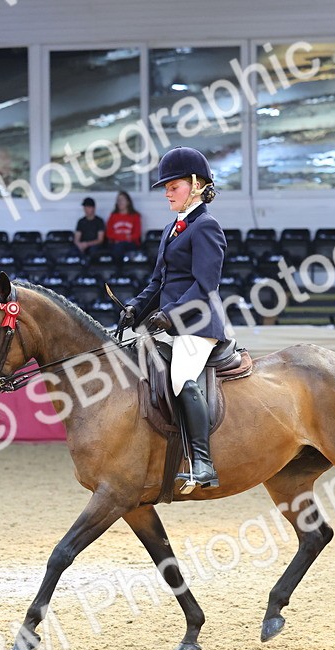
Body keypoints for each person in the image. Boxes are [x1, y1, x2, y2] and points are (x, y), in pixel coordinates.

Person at [119, 146, 228, 493]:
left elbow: (206, 284)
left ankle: (202, 462)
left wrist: (172, 313)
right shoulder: (171, 228)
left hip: (197, 324)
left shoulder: (207, 227)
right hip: (169, 321)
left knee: (181, 377)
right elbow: (158, 282)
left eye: (173, 186)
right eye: (165, 187)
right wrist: (136, 307)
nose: (166, 193)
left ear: (197, 185)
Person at [105, 191, 142, 262]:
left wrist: (122, 238)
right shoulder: (113, 216)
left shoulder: (135, 216)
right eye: (118, 200)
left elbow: (137, 234)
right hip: (115, 244)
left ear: (128, 202)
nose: (120, 202)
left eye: (122, 200)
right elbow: (109, 233)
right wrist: (124, 237)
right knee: (118, 247)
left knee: (121, 247)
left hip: (130, 243)